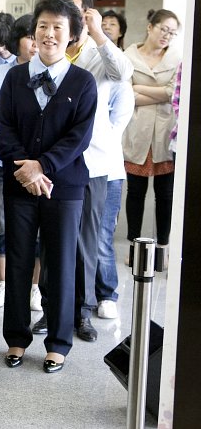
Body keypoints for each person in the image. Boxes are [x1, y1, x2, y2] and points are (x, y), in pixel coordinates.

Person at [0, 0, 97, 373]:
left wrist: (42, 167)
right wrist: (26, 168)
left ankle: (58, 342)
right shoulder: (14, 77)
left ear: (71, 34)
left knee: (60, 264)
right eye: (43, 26)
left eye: (58, 27)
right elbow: (3, 127)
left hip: (65, 187)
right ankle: (16, 339)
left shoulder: (83, 81)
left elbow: (79, 137)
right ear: (33, 33)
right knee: (19, 261)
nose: (49, 33)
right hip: (19, 183)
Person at [31, 0, 133, 342]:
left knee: (87, 242)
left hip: (91, 164)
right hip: (50, 163)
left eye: (71, 14)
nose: (59, 24)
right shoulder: (44, 56)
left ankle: (82, 312)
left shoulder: (98, 55)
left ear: (83, 17)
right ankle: (50, 310)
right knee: (51, 244)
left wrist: (100, 34)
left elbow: (123, 71)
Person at [0, 13, 41, 310]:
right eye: (30, 36)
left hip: (42, 165)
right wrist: (21, 157)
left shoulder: (53, 74)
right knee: (3, 223)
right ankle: (5, 283)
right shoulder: (1, 74)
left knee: (38, 228)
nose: (35, 43)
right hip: (2, 161)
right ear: (16, 41)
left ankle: (34, 287)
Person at [122, 9, 181, 259]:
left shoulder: (177, 58)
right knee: (135, 194)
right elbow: (126, 95)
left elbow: (172, 92)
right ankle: (135, 248)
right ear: (150, 27)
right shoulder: (128, 56)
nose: (167, 35)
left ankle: (162, 248)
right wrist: (157, 92)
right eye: (163, 29)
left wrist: (140, 89)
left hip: (165, 134)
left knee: (165, 195)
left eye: (172, 32)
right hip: (137, 131)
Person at [95, 72, 135, 318]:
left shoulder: (121, 86)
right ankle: (84, 296)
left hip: (109, 172)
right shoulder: (83, 76)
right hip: (78, 171)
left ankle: (107, 294)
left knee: (102, 236)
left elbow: (112, 130)